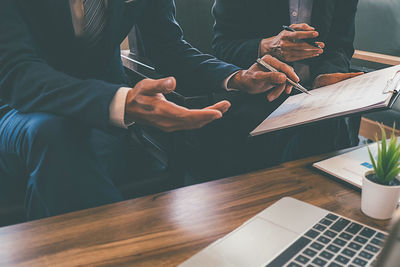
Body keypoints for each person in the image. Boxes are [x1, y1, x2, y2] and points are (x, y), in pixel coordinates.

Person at [0, 0, 299, 220]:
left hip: (106, 123)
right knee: (54, 135)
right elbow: (17, 72)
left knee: (66, 160)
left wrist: (237, 77)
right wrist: (121, 101)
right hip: (20, 109)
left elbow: (170, 49)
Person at [211, 0, 362, 166]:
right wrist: (266, 47)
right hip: (257, 95)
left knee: (331, 131)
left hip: (317, 96)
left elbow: (340, 46)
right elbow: (222, 47)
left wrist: (326, 74)